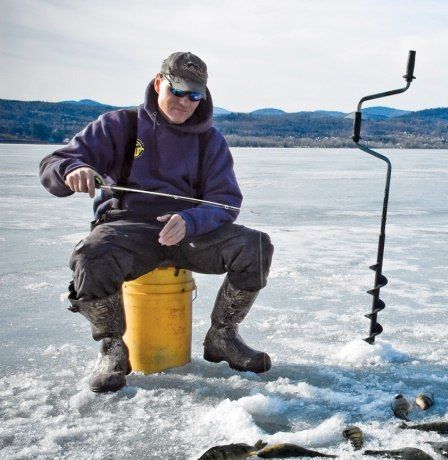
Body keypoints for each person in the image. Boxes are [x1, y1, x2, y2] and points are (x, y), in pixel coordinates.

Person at [39, 51, 273, 393]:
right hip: (128, 230)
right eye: (177, 90)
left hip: (189, 234)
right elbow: (56, 161)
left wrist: (191, 220)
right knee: (91, 254)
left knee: (254, 245)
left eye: (195, 95)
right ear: (158, 82)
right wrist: (72, 170)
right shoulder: (121, 125)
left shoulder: (211, 141)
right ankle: (112, 349)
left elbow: (225, 201)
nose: (184, 101)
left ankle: (223, 337)